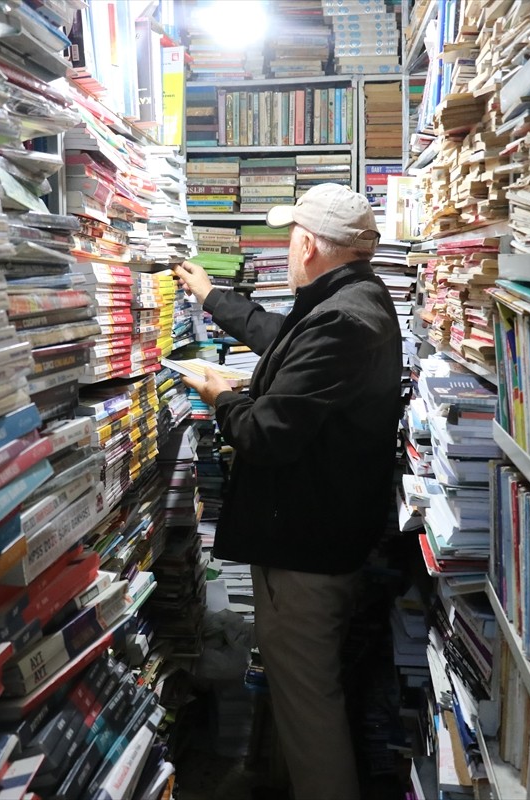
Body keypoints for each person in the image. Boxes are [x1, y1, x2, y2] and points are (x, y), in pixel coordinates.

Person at [172, 183, 401, 800]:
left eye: (289, 239)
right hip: (321, 535)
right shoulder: (352, 300)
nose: (286, 249)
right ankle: (274, 778)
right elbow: (283, 341)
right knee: (301, 692)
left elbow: (265, 433)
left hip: (309, 549)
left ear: (307, 245)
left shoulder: (344, 320)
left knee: (308, 704)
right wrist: (212, 295)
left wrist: (221, 394)